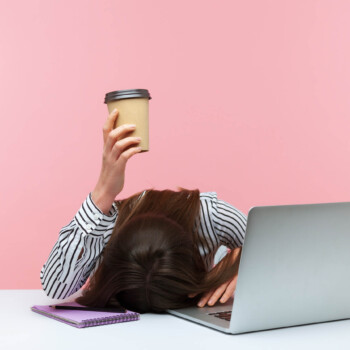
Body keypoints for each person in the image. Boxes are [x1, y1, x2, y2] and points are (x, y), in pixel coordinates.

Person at [40, 108, 247, 313]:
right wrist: (101, 195)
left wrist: (246, 263)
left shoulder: (210, 216)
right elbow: (55, 286)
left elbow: (276, 249)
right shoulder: (105, 228)